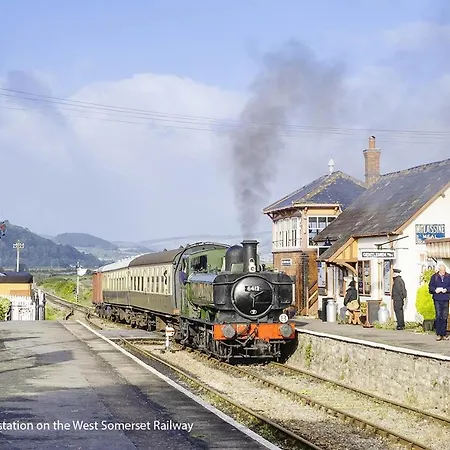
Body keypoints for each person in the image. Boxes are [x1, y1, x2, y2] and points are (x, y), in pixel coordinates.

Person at [428, 263, 450, 341]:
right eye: (442, 271)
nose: (443, 272)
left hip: (446, 298)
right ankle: (439, 334)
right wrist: (435, 290)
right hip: (437, 298)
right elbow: (430, 287)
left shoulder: (448, 276)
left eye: (444, 270)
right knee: (438, 316)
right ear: (439, 270)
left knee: (444, 317)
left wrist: (446, 289)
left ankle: (443, 334)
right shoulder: (434, 277)